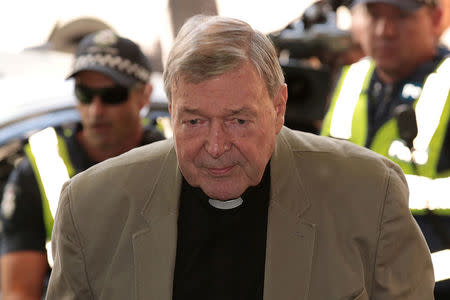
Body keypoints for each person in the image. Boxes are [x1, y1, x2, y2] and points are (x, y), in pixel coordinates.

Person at [46, 15, 434, 299]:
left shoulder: (369, 195)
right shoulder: (89, 208)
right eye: (194, 121)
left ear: (278, 107)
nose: (215, 146)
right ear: (171, 112)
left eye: (238, 120)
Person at [0, 29, 165, 299]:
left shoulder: (175, 154)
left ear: (144, 96)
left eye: (112, 95)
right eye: (85, 94)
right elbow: (18, 292)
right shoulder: (37, 169)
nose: (96, 110)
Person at [320, 0, 450, 295]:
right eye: (375, 14)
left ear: (437, 17)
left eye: (402, 16)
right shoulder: (350, 78)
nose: (384, 30)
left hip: (432, 287)